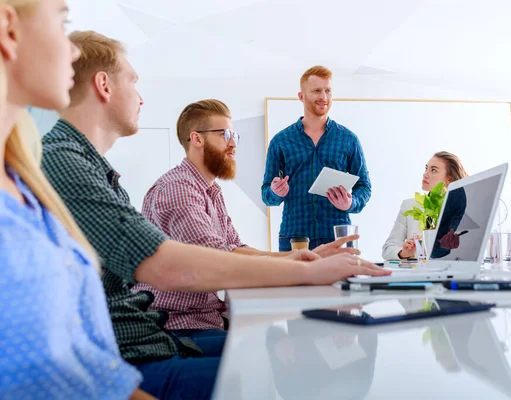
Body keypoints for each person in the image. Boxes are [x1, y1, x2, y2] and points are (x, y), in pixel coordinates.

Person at [41, 31, 389, 399]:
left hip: (147, 337)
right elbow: (167, 262)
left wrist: (300, 259)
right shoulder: (70, 161)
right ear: (104, 85)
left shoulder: (97, 167)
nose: (141, 97)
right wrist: (303, 268)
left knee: (281, 351)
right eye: (133, 81)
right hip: (139, 346)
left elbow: (230, 245)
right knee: (275, 364)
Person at [0, 1, 152, 398]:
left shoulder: (23, 178)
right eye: (61, 20)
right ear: (8, 28)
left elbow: (88, 367)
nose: (71, 49)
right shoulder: (55, 162)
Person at [133, 99, 360, 335]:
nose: (233, 144)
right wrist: (300, 264)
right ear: (197, 139)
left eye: (235, 136)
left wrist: (298, 256)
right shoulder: (178, 189)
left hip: (210, 319)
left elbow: (233, 246)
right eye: (225, 135)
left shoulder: (210, 190)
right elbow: (217, 258)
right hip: (179, 327)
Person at [261, 65, 372, 251]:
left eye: (328, 90)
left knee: (343, 281)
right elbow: (267, 196)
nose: (324, 97)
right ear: (301, 96)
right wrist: (275, 192)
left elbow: (364, 187)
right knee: (297, 282)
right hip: (295, 238)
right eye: (316, 91)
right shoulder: (281, 141)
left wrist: (351, 202)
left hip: (337, 237)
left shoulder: (348, 139)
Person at [382, 151, 468, 260]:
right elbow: (387, 249)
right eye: (426, 168)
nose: (425, 174)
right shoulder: (409, 205)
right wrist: (403, 253)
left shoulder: (460, 209)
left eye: (433, 170)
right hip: (419, 274)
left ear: (449, 178)